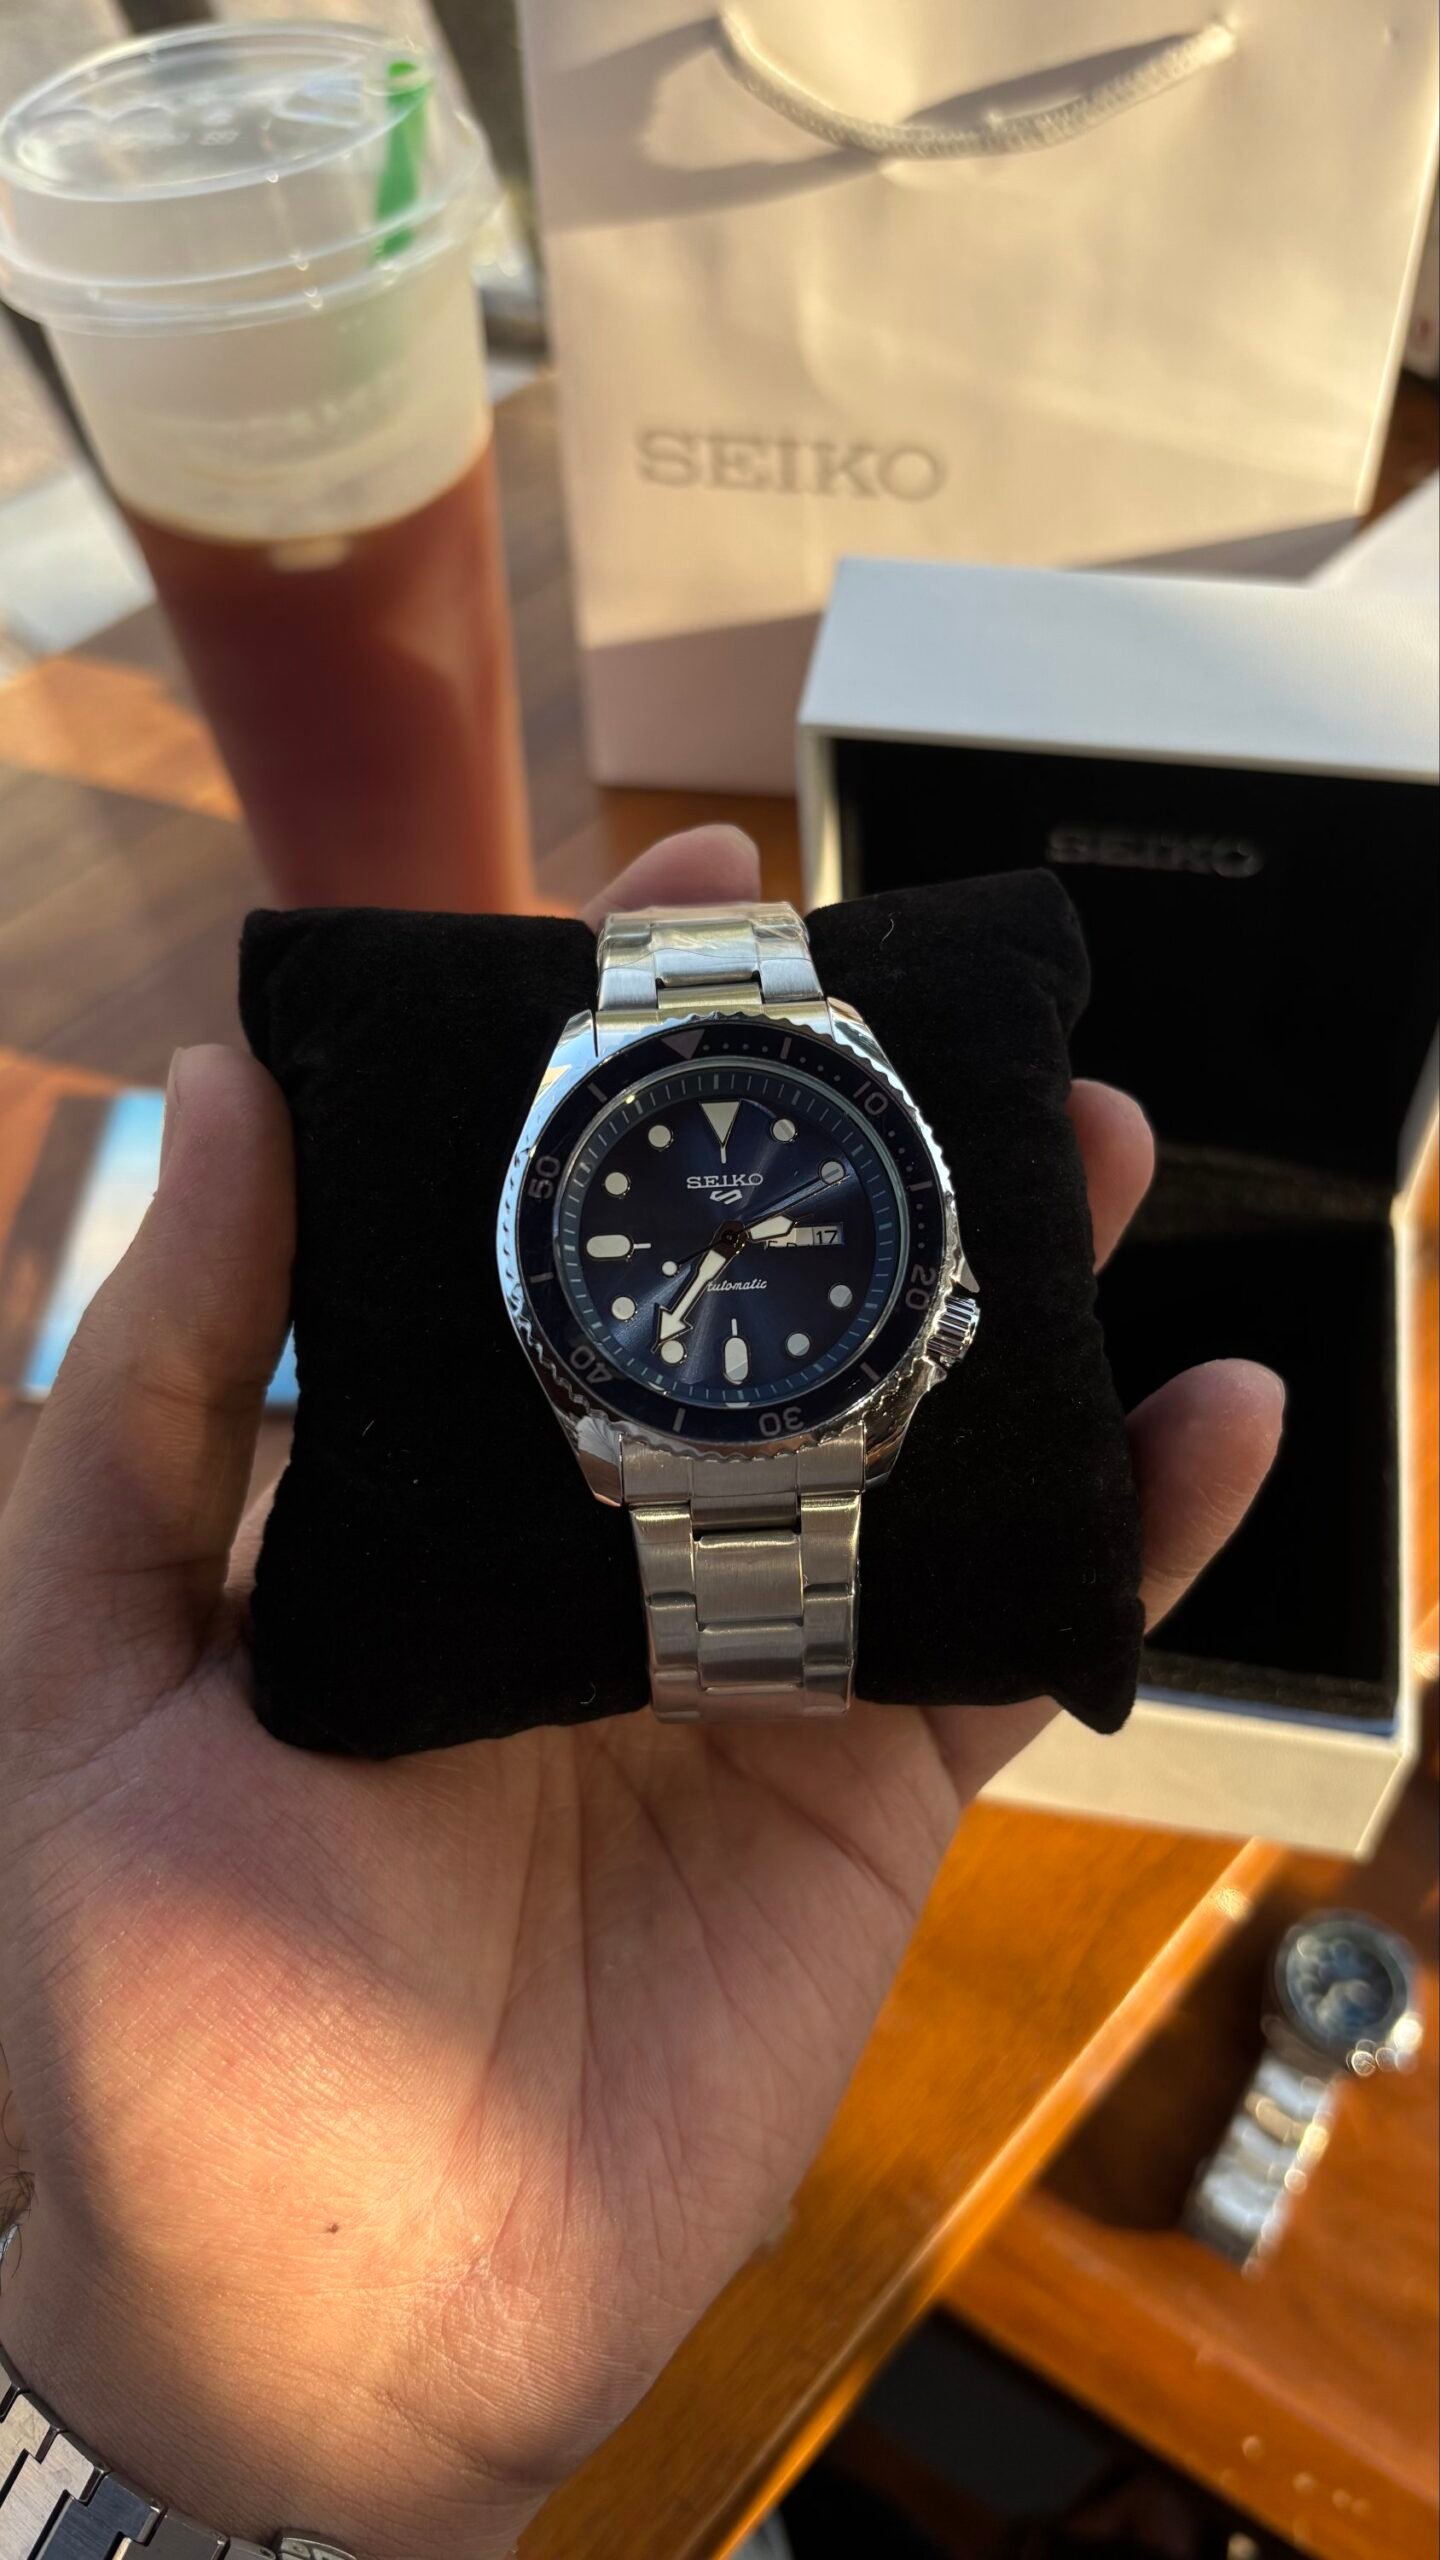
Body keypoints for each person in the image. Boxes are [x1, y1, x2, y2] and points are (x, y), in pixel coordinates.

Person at [0, 830, 1283, 2559]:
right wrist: (281, 2382)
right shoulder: (604, 1275)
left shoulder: (848, 1249)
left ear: (941, 1293)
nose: (737, 1234)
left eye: (786, 1223)